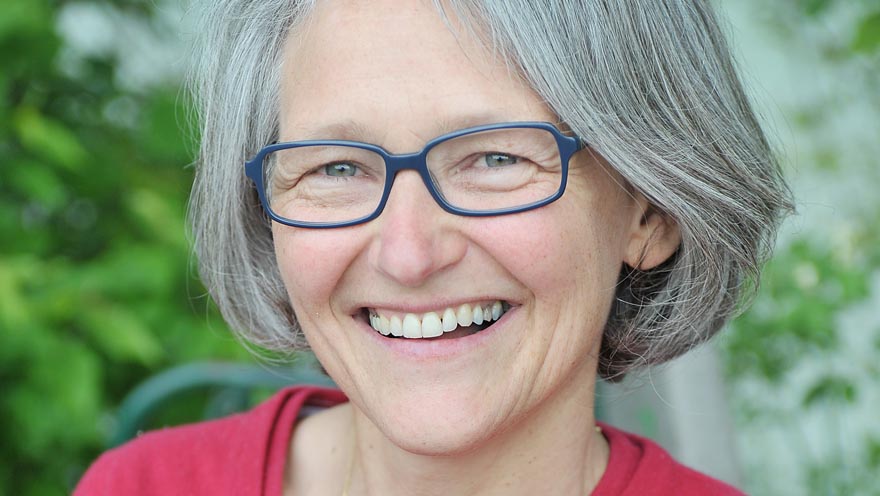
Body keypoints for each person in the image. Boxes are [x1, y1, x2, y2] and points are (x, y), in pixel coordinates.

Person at [76, 0, 792, 494]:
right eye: (337, 168)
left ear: (651, 210)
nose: (408, 255)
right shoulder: (144, 487)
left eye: (496, 159)